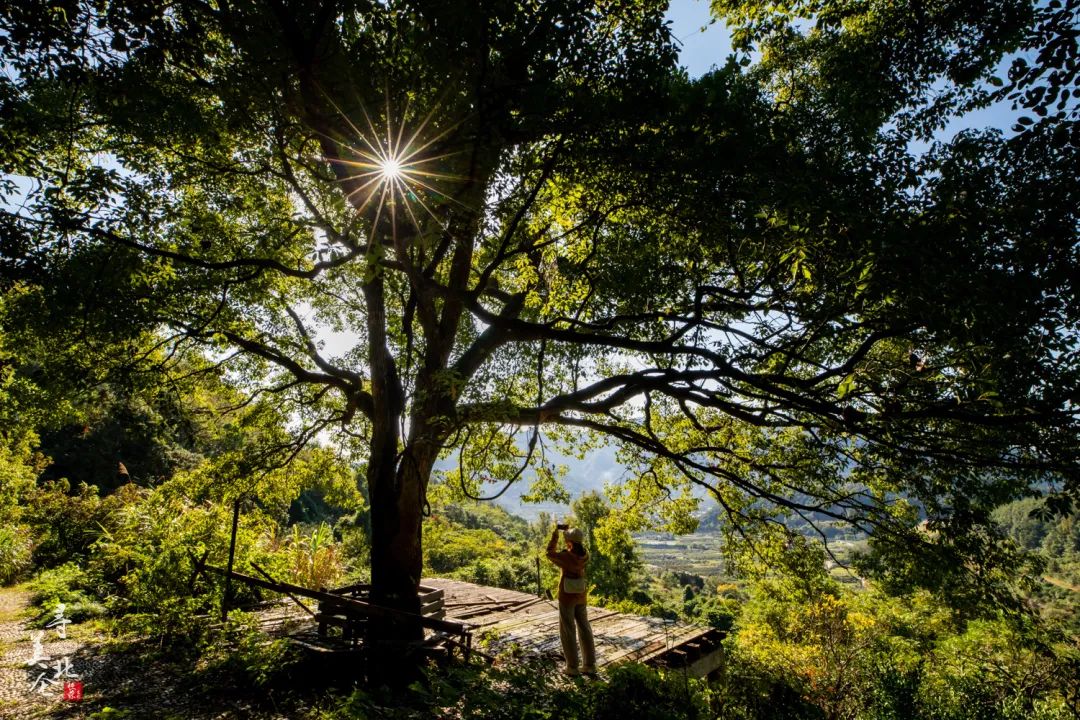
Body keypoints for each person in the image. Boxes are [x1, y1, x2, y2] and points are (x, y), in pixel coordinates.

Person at [546, 524, 596, 675]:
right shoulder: (584, 555)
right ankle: (589, 665)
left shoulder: (566, 557)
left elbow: (549, 553)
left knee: (568, 629)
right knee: (584, 627)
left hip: (567, 596)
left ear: (570, 543)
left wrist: (555, 534)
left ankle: (572, 667)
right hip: (581, 595)